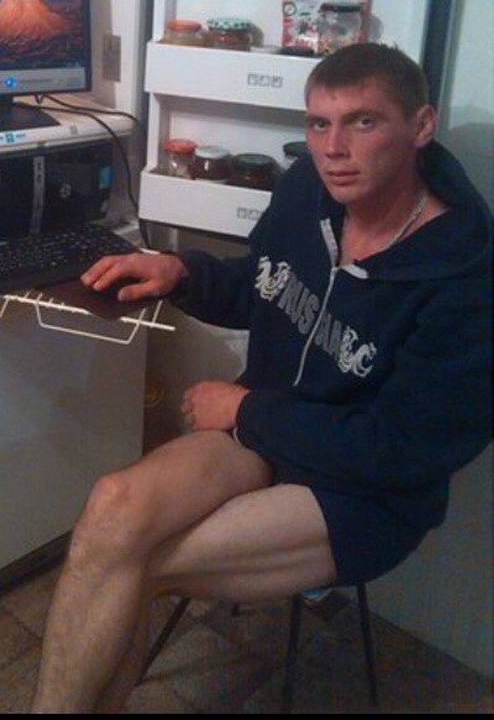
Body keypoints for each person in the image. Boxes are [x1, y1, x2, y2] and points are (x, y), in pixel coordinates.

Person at [31, 43, 491, 714]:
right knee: (112, 512)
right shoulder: (308, 189)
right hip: (265, 426)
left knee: (141, 563)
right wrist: (181, 272)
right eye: (319, 124)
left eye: (363, 122)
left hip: (361, 495)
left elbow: (403, 450)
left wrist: (246, 413)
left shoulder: (466, 278)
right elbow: (264, 286)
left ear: (420, 126)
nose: (333, 148)